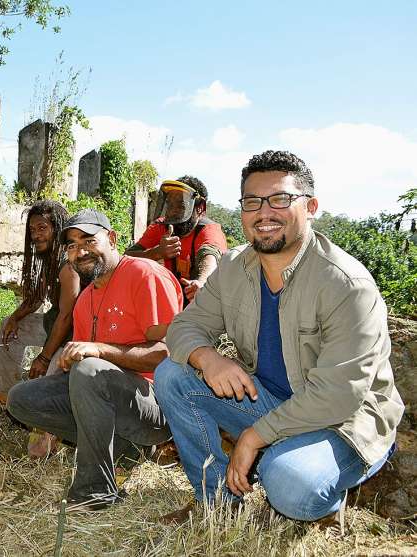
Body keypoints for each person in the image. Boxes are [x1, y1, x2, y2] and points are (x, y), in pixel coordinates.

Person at [154, 150, 403, 523]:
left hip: (344, 421)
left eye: (281, 199)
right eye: (252, 201)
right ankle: (218, 503)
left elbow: (339, 395)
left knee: (287, 483)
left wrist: (254, 437)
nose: (264, 213)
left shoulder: (347, 285)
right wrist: (208, 358)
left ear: (311, 205)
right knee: (172, 376)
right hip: (270, 403)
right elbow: (184, 327)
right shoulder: (234, 269)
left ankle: (323, 499)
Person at [6, 209, 183, 511]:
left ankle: (95, 491)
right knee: (21, 399)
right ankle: (123, 449)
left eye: (89, 240)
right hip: (109, 398)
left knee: (89, 370)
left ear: (112, 239)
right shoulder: (85, 299)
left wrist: (99, 350)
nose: (80, 250)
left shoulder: (144, 275)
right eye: (72, 245)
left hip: (157, 405)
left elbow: (169, 353)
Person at [0, 200, 82, 408]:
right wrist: (15, 318)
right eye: (32, 230)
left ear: (57, 229)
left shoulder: (68, 266)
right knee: (8, 328)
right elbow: (37, 298)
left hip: (73, 337)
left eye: (42, 228)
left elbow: (67, 317)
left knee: (47, 396)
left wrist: (45, 358)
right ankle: (4, 393)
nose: (36, 235)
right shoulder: (51, 260)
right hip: (53, 326)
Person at [126, 176, 227, 303]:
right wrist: (155, 253)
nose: (172, 212)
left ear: (199, 208)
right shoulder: (161, 226)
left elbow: (210, 255)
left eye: (181, 205)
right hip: (173, 299)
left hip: (205, 302)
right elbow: (127, 257)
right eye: (169, 204)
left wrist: (201, 282)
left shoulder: (209, 230)